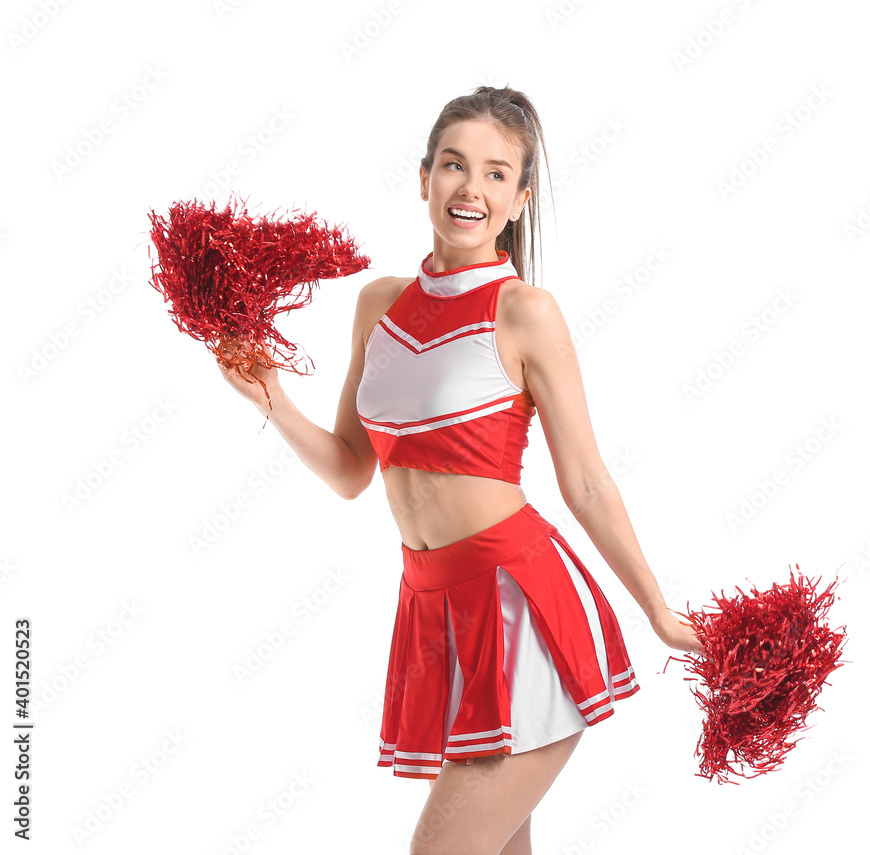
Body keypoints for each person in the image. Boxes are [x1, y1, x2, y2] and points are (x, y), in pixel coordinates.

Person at [219, 85, 704, 855]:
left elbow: (584, 480)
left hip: (523, 609)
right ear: (423, 178)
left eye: (494, 174)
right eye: (453, 165)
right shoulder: (379, 304)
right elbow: (352, 470)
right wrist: (271, 397)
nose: (470, 188)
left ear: (518, 198)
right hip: (437, 613)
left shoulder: (524, 312)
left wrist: (657, 609)